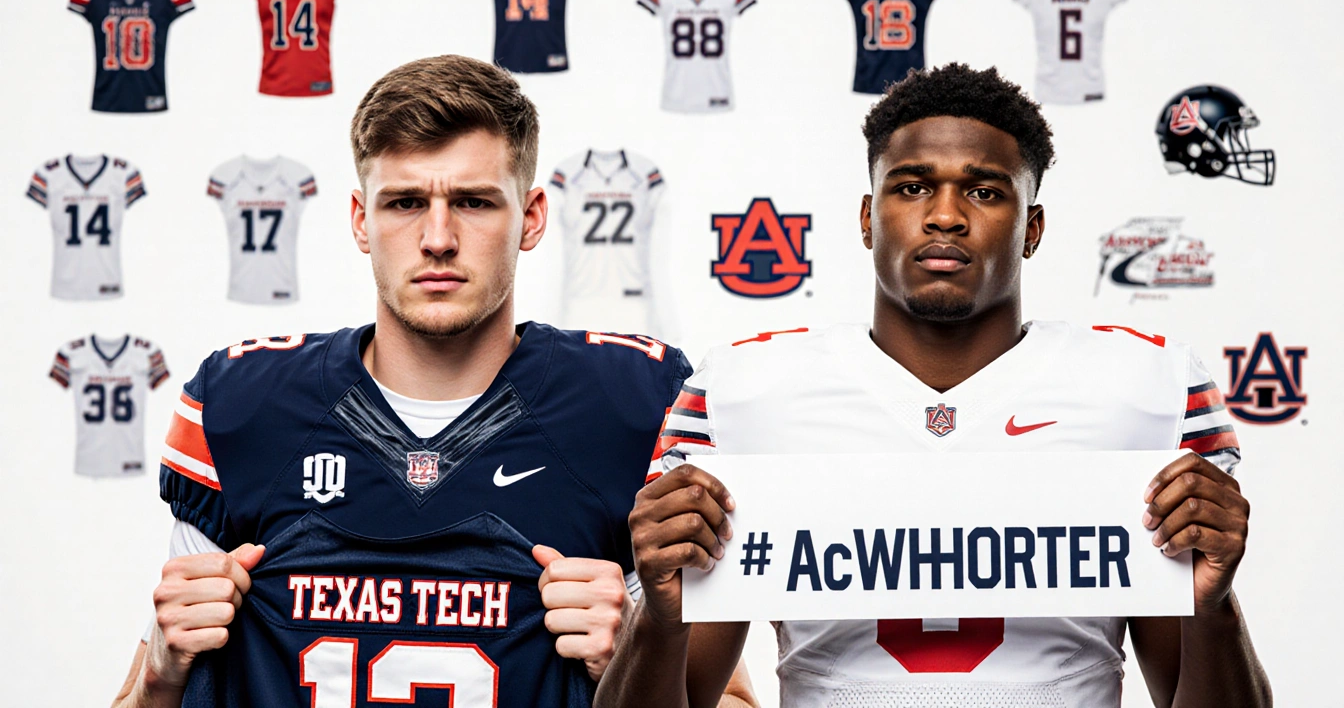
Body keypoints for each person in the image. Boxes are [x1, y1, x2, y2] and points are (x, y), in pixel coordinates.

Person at [597, 64, 1272, 707]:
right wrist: (660, 614)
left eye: (984, 190)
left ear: (1032, 228)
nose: (946, 215)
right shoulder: (742, 393)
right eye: (913, 185)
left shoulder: (1144, 389)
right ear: (867, 217)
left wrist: (1213, 604)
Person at [108, 55, 752, 707]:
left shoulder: (632, 405)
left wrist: (632, 656)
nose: (438, 238)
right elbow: (142, 693)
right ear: (361, 220)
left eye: (473, 202)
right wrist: (162, 672)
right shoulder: (245, 404)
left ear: (531, 217)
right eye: (406, 202)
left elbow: (729, 700)